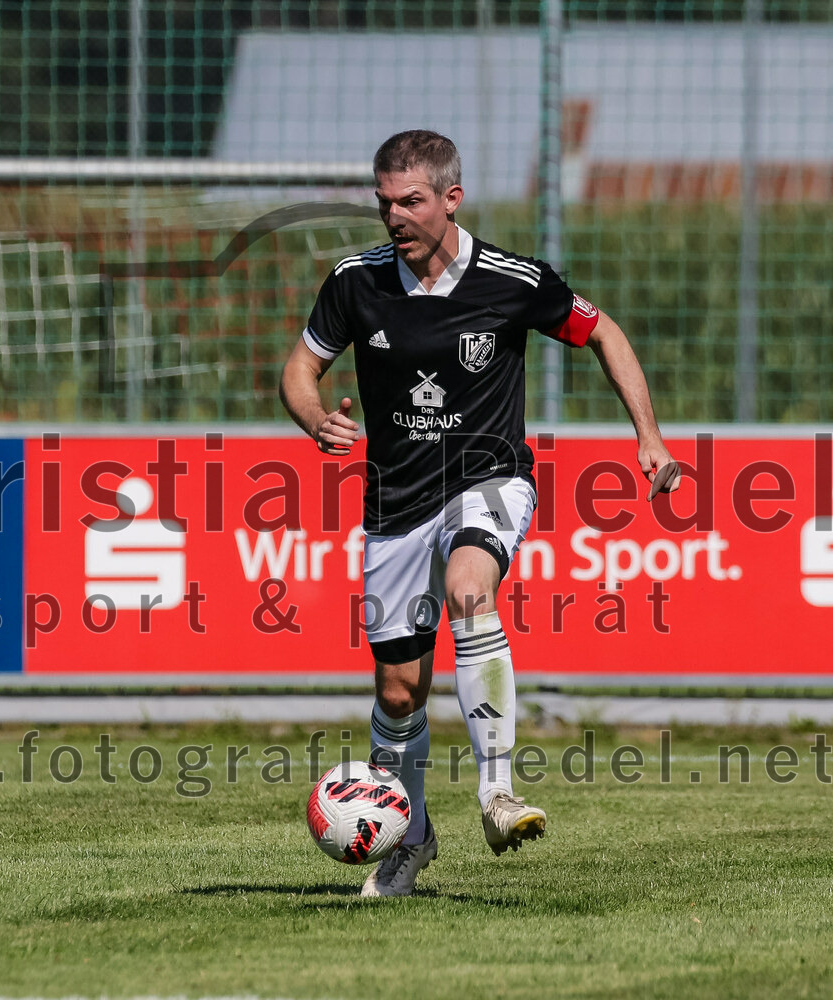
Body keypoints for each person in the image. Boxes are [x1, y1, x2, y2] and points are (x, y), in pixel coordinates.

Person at [280, 130, 679, 898]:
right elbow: (303, 366)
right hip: (395, 501)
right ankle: (410, 836)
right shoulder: (355, 282)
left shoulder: (511, 279)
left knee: (471, 587)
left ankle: (497, 792)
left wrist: (649, 436)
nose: (393, 215)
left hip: (489, 478)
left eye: (411, 200)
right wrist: (312, 418)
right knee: (399, 692)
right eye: (384, 200)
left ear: (451, 198)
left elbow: (603, 332)